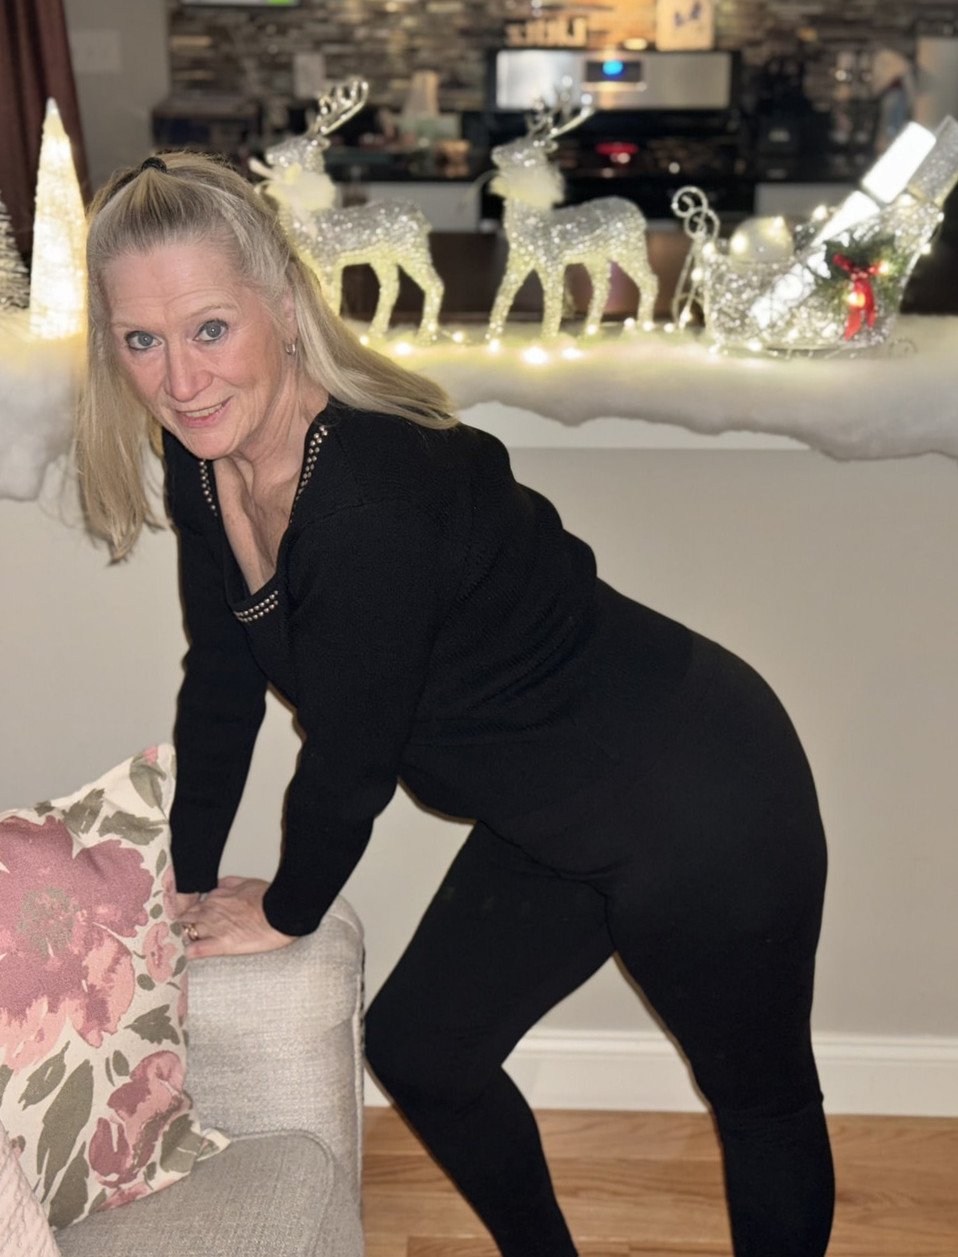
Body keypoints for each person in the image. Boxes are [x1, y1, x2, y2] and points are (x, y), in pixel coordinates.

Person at [77, 151, 834, 1257]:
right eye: (141, 340)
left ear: (282, 304)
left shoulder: (370, 490)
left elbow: (353, 754)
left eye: (210, 329)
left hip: (700, 798)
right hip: (555, 811)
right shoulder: (204, 461)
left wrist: (286, 910)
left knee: (760, 1101)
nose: (180, 379)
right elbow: (224, 683)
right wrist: (182, 885)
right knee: (426, 1053)